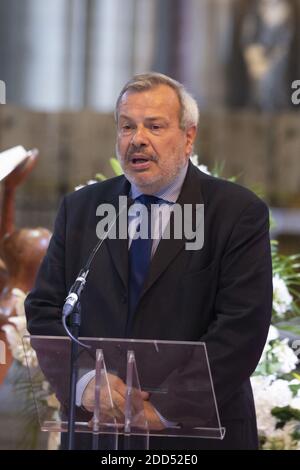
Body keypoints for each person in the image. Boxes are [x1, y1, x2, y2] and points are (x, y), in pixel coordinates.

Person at [25, 72, 273, 450]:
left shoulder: (235, 213)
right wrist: (87, 382)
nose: (137, 139)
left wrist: (166, 406)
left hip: (195, 434)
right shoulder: (83, 210)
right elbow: (46, 310)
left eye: (154, 126)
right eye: (127, 127)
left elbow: (242, 327)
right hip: (102, 435)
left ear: (189, 137)